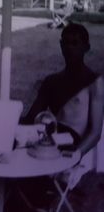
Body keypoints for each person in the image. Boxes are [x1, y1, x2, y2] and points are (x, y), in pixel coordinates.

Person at [18, 23, 104, 210]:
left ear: (86, 47)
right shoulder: (52, 81)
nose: (69, 48)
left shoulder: (94, 83)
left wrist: (77, 154)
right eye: (65, 43)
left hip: (72, 142)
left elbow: (96, 131)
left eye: (75, 43)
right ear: (60, 45)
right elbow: (31, 117)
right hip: (48, 138)